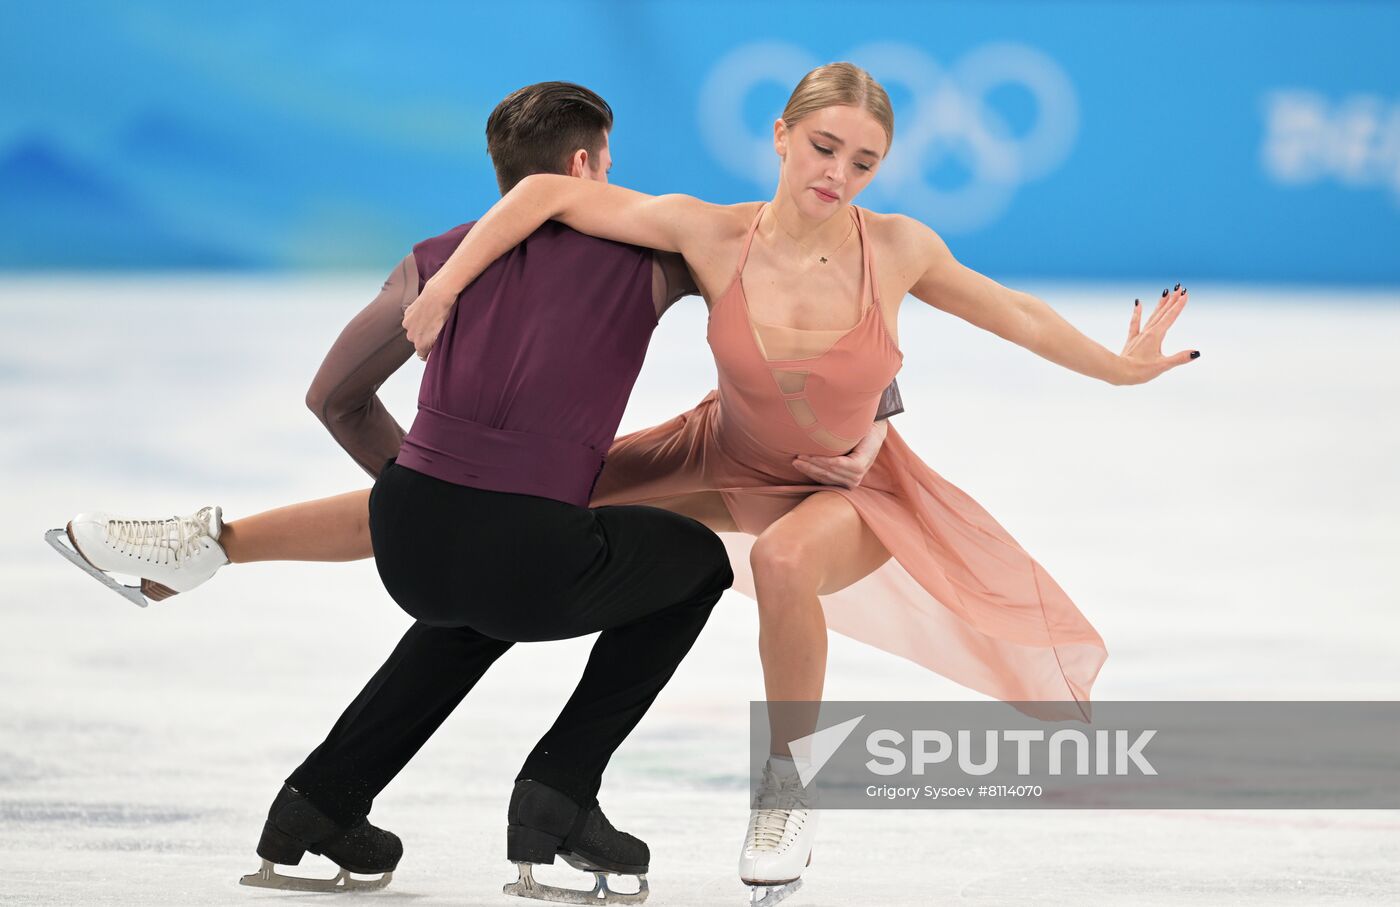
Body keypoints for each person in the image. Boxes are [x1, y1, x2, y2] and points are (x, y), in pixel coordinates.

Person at [51, 80, 895, 904]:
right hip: (528, 554)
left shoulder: (432, 259)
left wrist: (434, 495)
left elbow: (332, 399)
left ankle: (320, 802)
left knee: (472, 605)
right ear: (585, 165)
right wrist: (877, 406)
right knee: (695, 564)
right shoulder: (650, 251)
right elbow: (796, 317)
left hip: (412, 540)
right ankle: (560, 790)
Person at [399, 61, 1197, 904]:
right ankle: (243, 541)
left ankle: (786, 789)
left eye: (863, 163)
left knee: (783, 561)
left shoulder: (898, 248)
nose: (837, 175)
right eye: (823, 147)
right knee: (516, 491)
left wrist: (1117, 368)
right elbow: (542, 197)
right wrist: (443, 289)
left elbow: (1017, 312)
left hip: (842, 489)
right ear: (781, 137)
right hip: (716, 454)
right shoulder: (710, 232)